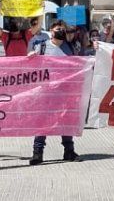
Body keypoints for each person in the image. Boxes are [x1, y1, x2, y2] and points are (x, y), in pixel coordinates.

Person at [29, 19, 79, 165]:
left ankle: (69, 151)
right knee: (43, 121)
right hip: (46, 91)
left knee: (66, 120)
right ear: (51, 31)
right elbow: (31, 64)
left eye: (62, 28)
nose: (60, 31)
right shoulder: (41, 47)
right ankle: (37, 153)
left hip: (65, 90)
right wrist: (31, 56)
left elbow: (77, 64)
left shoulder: (69, 47)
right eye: (57, 28)